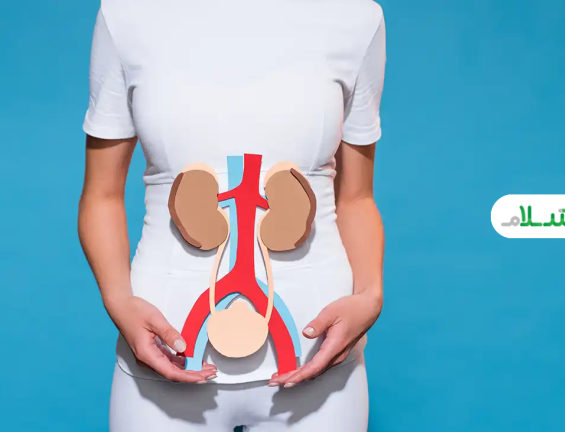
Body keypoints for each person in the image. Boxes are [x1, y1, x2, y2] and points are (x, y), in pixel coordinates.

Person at [78, 0, 386, 430]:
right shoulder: (126, 15)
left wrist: (370, 296)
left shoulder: (355, 17)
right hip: (163, 349)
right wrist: (120, 302)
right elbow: (102, 195)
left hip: (320, 356)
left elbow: (356, 198)